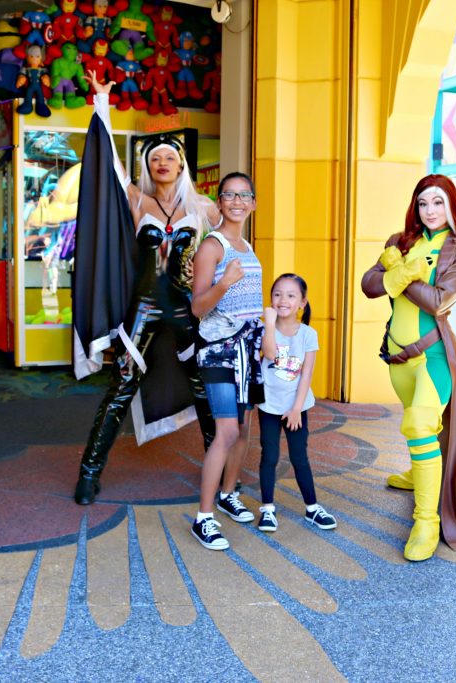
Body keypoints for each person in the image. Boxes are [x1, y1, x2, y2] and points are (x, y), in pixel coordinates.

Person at [71, 72, 219, 505]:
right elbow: (107, 166)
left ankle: (221, 468)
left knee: (202, 387)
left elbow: (228, 245)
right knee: (121, 385)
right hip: (142, 307)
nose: (162, 162)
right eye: (155, 157)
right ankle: (89, 473)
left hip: (185, 308)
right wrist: (102, 103)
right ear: (148, 165)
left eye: (169, 157)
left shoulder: (203, 207)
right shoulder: (137, 199)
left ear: (181, 164)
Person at [361, 174, 456, 562]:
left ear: (451, 204)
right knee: (419, 427)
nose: (430, 211)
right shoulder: (399, 242)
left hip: (432, 357)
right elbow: (369, 285)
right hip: (396, 359)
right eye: (423, 203)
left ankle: (427, 521)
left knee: (419, 423)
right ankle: (418, 473)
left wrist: (398, 274)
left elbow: (437, 301)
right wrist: (399, 269)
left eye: (438, 202)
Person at [189, 172, 265, 550]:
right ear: (219, 202)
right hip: (219, 350)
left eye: (244, 195)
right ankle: (203, 518)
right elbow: (198, 306)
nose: (237, 201)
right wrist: (224, 283)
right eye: (229, 195)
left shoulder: (247, 245)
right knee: (227, 431)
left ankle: (228, 493)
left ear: (252, 203)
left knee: (244, 427)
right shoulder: (213, 247)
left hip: (249, 351)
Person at [257, 274, 337, 534]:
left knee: (299, 457)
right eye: (277, 294)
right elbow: (269, 353)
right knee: (269, 456)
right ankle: (267, 509)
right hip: (269, 405)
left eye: (291, 295)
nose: (283, 300)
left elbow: (307, 374)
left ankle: (312, 508)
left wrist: (296, 408)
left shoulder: (308, 334)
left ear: (302, 302)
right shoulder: (264, 329)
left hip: (297, 407)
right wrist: (269, 324)